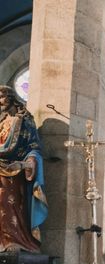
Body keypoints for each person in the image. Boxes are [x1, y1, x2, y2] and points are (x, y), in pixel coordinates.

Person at [0, 85, 47, 252]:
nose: (0, 101)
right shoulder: (2, 122)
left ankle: (15, 240)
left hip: (14, 171)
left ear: (11, 97)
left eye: (3, 96)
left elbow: (33, 147)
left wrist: (24, 164)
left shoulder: (25, 121)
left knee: (7, 203)